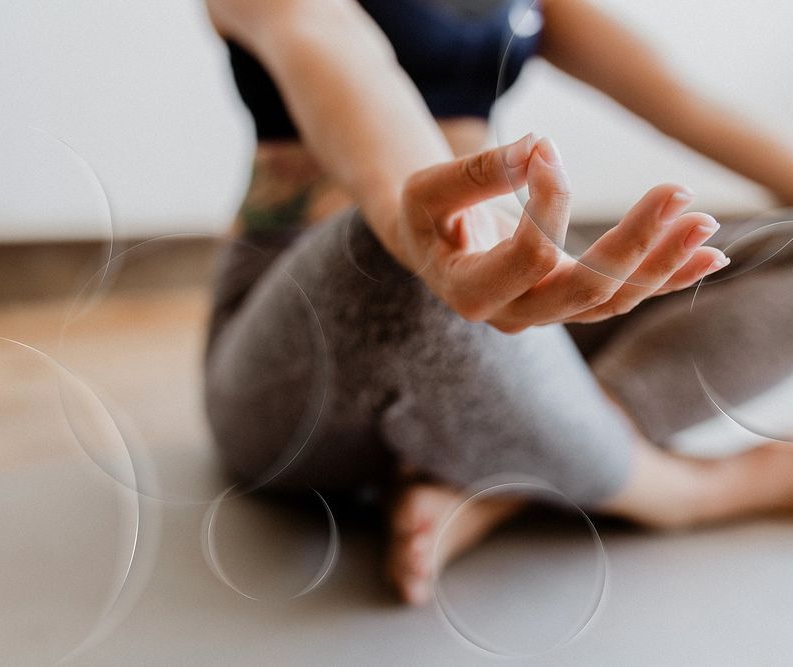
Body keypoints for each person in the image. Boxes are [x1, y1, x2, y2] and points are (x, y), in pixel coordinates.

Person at [202, 0, 793, 604]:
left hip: (489, 285)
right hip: (303, 351)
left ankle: (506, 484)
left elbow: (683, 102)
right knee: (389, 256)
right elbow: (338, 48)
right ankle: (686, 490)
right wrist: (426, 232)